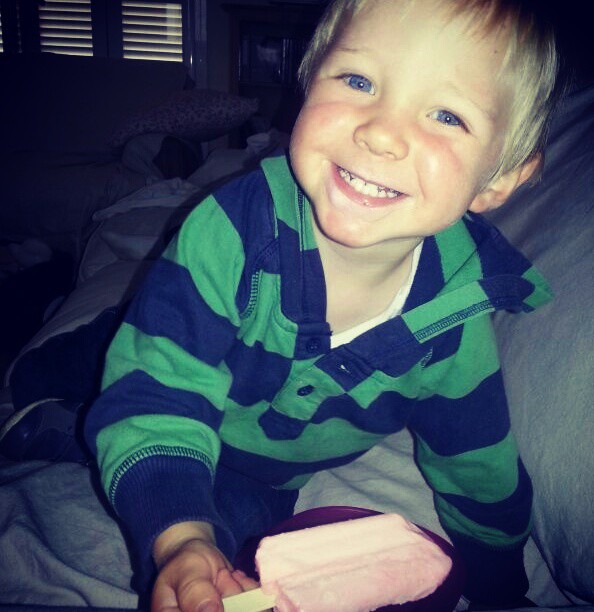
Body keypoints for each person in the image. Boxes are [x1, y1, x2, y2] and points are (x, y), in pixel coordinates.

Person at [81, 0, 560, 610]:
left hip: (261, 474)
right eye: (358, 81)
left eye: (446, 114)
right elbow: (156, 395)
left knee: (234, 571)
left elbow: (476, 461)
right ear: (309, 83)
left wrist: (500, 589)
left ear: (498, 180)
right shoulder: (228, 233)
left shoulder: (454, 316)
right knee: (123, 388)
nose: (381, 132)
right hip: (187, 400)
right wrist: (181, 538)